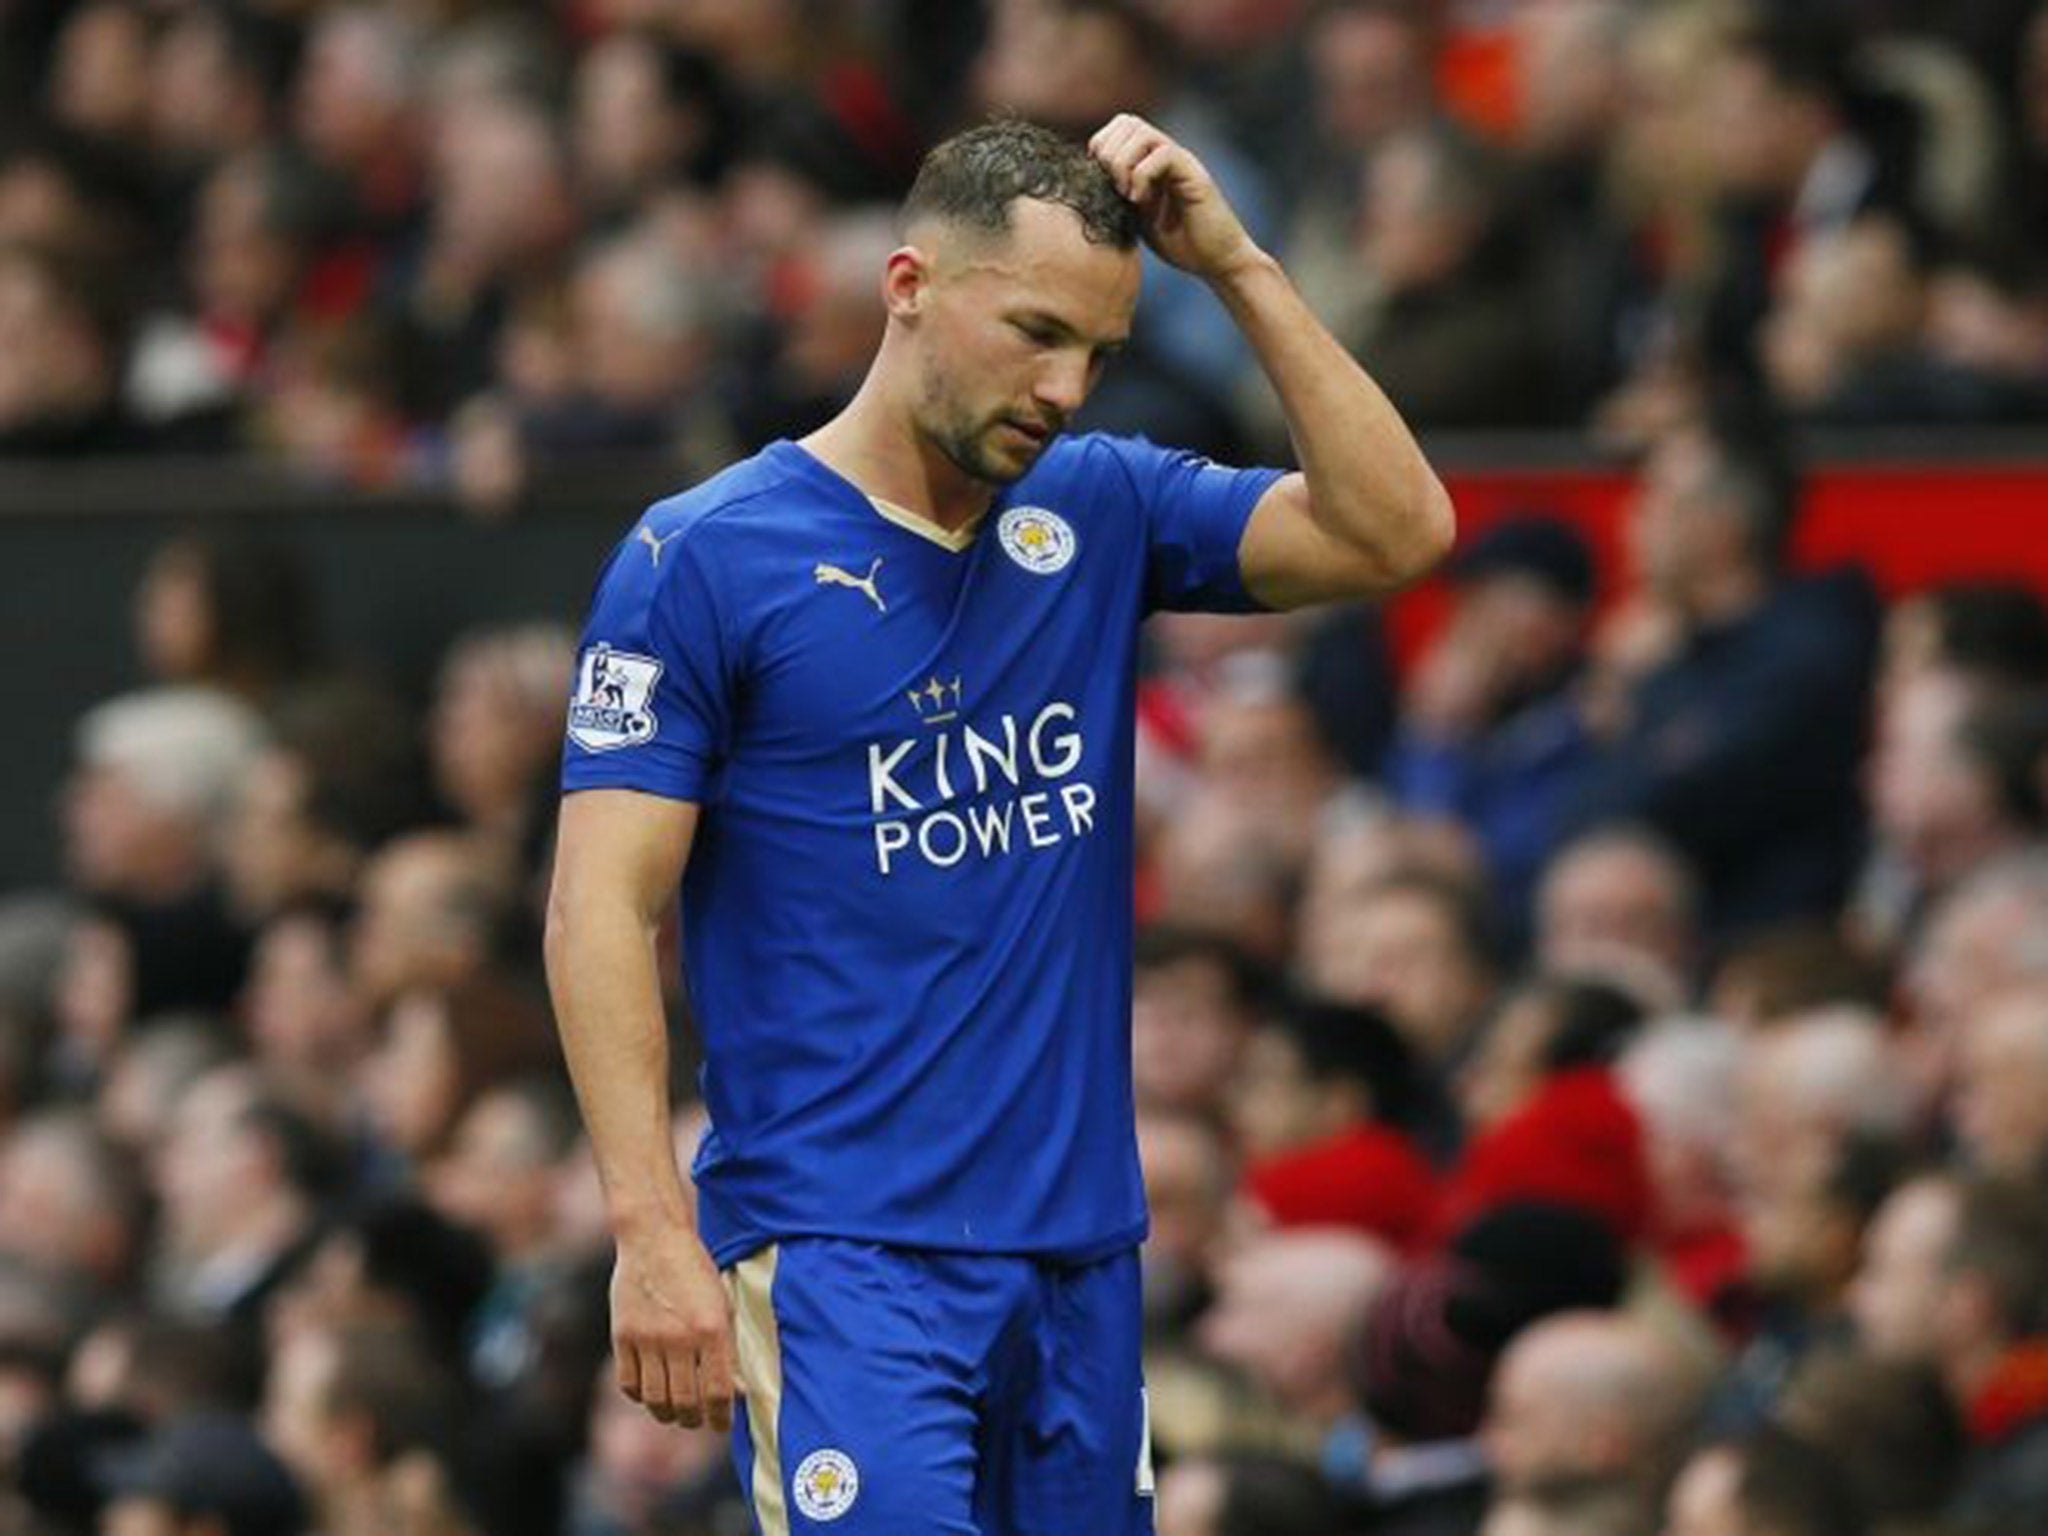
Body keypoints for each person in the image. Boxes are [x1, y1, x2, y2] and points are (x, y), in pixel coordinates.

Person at [545, 114, 1451, 1535]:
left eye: (1097, 352)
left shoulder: (1096, 505)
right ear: (908, 286)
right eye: (1034, 331)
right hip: (845, 1255)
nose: (1064, 388)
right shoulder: (702, 557)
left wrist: (1241, 269)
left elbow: (1397, 531)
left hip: (1082, 1252)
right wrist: (652, 1231)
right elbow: (601, 906)